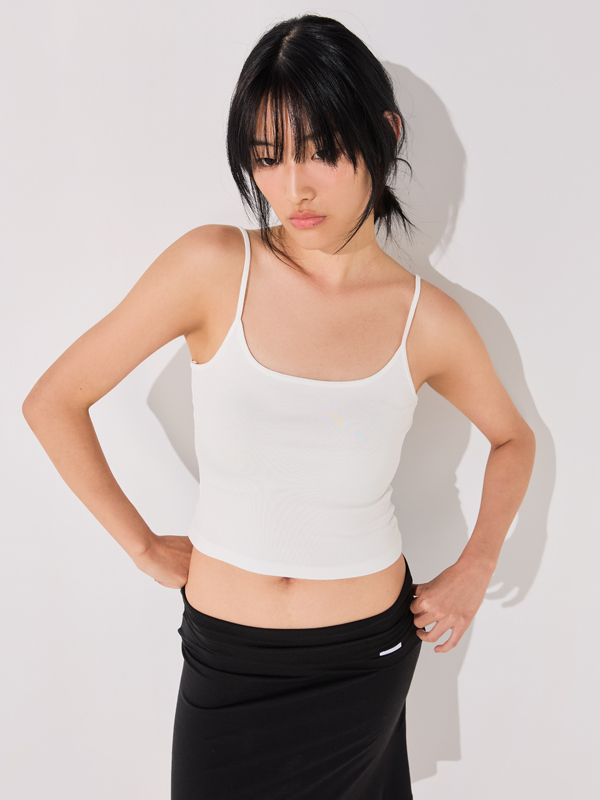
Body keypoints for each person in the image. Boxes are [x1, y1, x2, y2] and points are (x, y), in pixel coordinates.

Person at [22, 13, 536, 800]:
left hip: (363, 663)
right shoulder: (212, 266)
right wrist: (141, 546)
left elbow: (513, 439)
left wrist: (477, 565)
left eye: (322, 151)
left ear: (384, 132)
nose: (294, 188)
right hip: (228, 662)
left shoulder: (427, 320)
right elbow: (54, 400)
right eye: (268, 157)